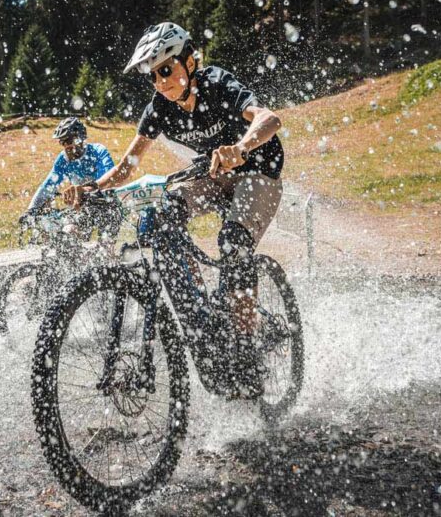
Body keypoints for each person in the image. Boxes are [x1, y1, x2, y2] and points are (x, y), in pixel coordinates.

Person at [64, 22, 285, 398]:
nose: (160, 81)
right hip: (212, 174)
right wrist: (92, 189)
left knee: (232, 242)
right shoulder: (159, 109)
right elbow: (129, 165)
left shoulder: (216, 84)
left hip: (257, 171)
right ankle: (203, 315)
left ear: (189, 61)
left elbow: (269, 119)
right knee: (161, 213)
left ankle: (246, 349)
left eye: (166, 69)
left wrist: (242, 148)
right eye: (153, 76)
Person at [22, 117, 120, 243]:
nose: (65, 146)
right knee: (68, 235)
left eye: (68, 141)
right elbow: (47, 186)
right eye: (62, 142)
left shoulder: (98, 151)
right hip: (82, 208)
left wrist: (86, 190)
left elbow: (109, 180)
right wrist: (31, 210)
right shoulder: (63, 159)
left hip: (107, 206)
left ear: (80, 139)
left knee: (106, 253)